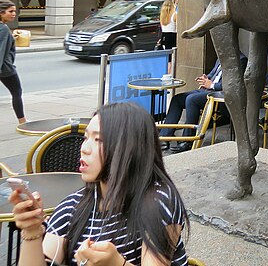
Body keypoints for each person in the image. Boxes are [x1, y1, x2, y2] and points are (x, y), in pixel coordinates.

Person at [9, 102, 188, 266]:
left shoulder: (158, 200)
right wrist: (32, 232)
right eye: (86, 138)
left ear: (128, 148)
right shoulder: (73, 206)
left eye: (98, 140)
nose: (84, 148)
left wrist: (117, 264)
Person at [161, 54, 246, 153]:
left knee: (191, 100)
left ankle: (188, 141)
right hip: (206, 90)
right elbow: (212, 74)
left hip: (220, 95)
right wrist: (205, 78)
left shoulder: (241, 60)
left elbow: (233, 84)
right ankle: (164, 137)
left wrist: (212, 85)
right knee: (177, 99)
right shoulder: (221, 56)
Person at [0, 0, 25, 124]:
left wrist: (12, 38)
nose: (14, 13)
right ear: (1, 13)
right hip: (5, 69)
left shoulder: (3, 28)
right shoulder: (3, 29)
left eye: (14, 11)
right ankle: (22, 121)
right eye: (10, 11)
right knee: (17, 92)